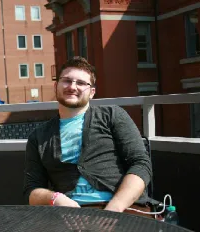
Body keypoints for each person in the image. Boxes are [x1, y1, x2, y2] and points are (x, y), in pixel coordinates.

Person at [23, 57, 155, 216]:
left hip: (123, 210)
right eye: (66, 81)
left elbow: (141, 164)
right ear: (55, 86)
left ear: (92, 92)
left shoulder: (112, 116)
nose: (72, 86)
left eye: (81, 83)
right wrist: (55, 198)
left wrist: (115, 207)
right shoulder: (39, 137)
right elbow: (32, 190)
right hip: (70, 216)